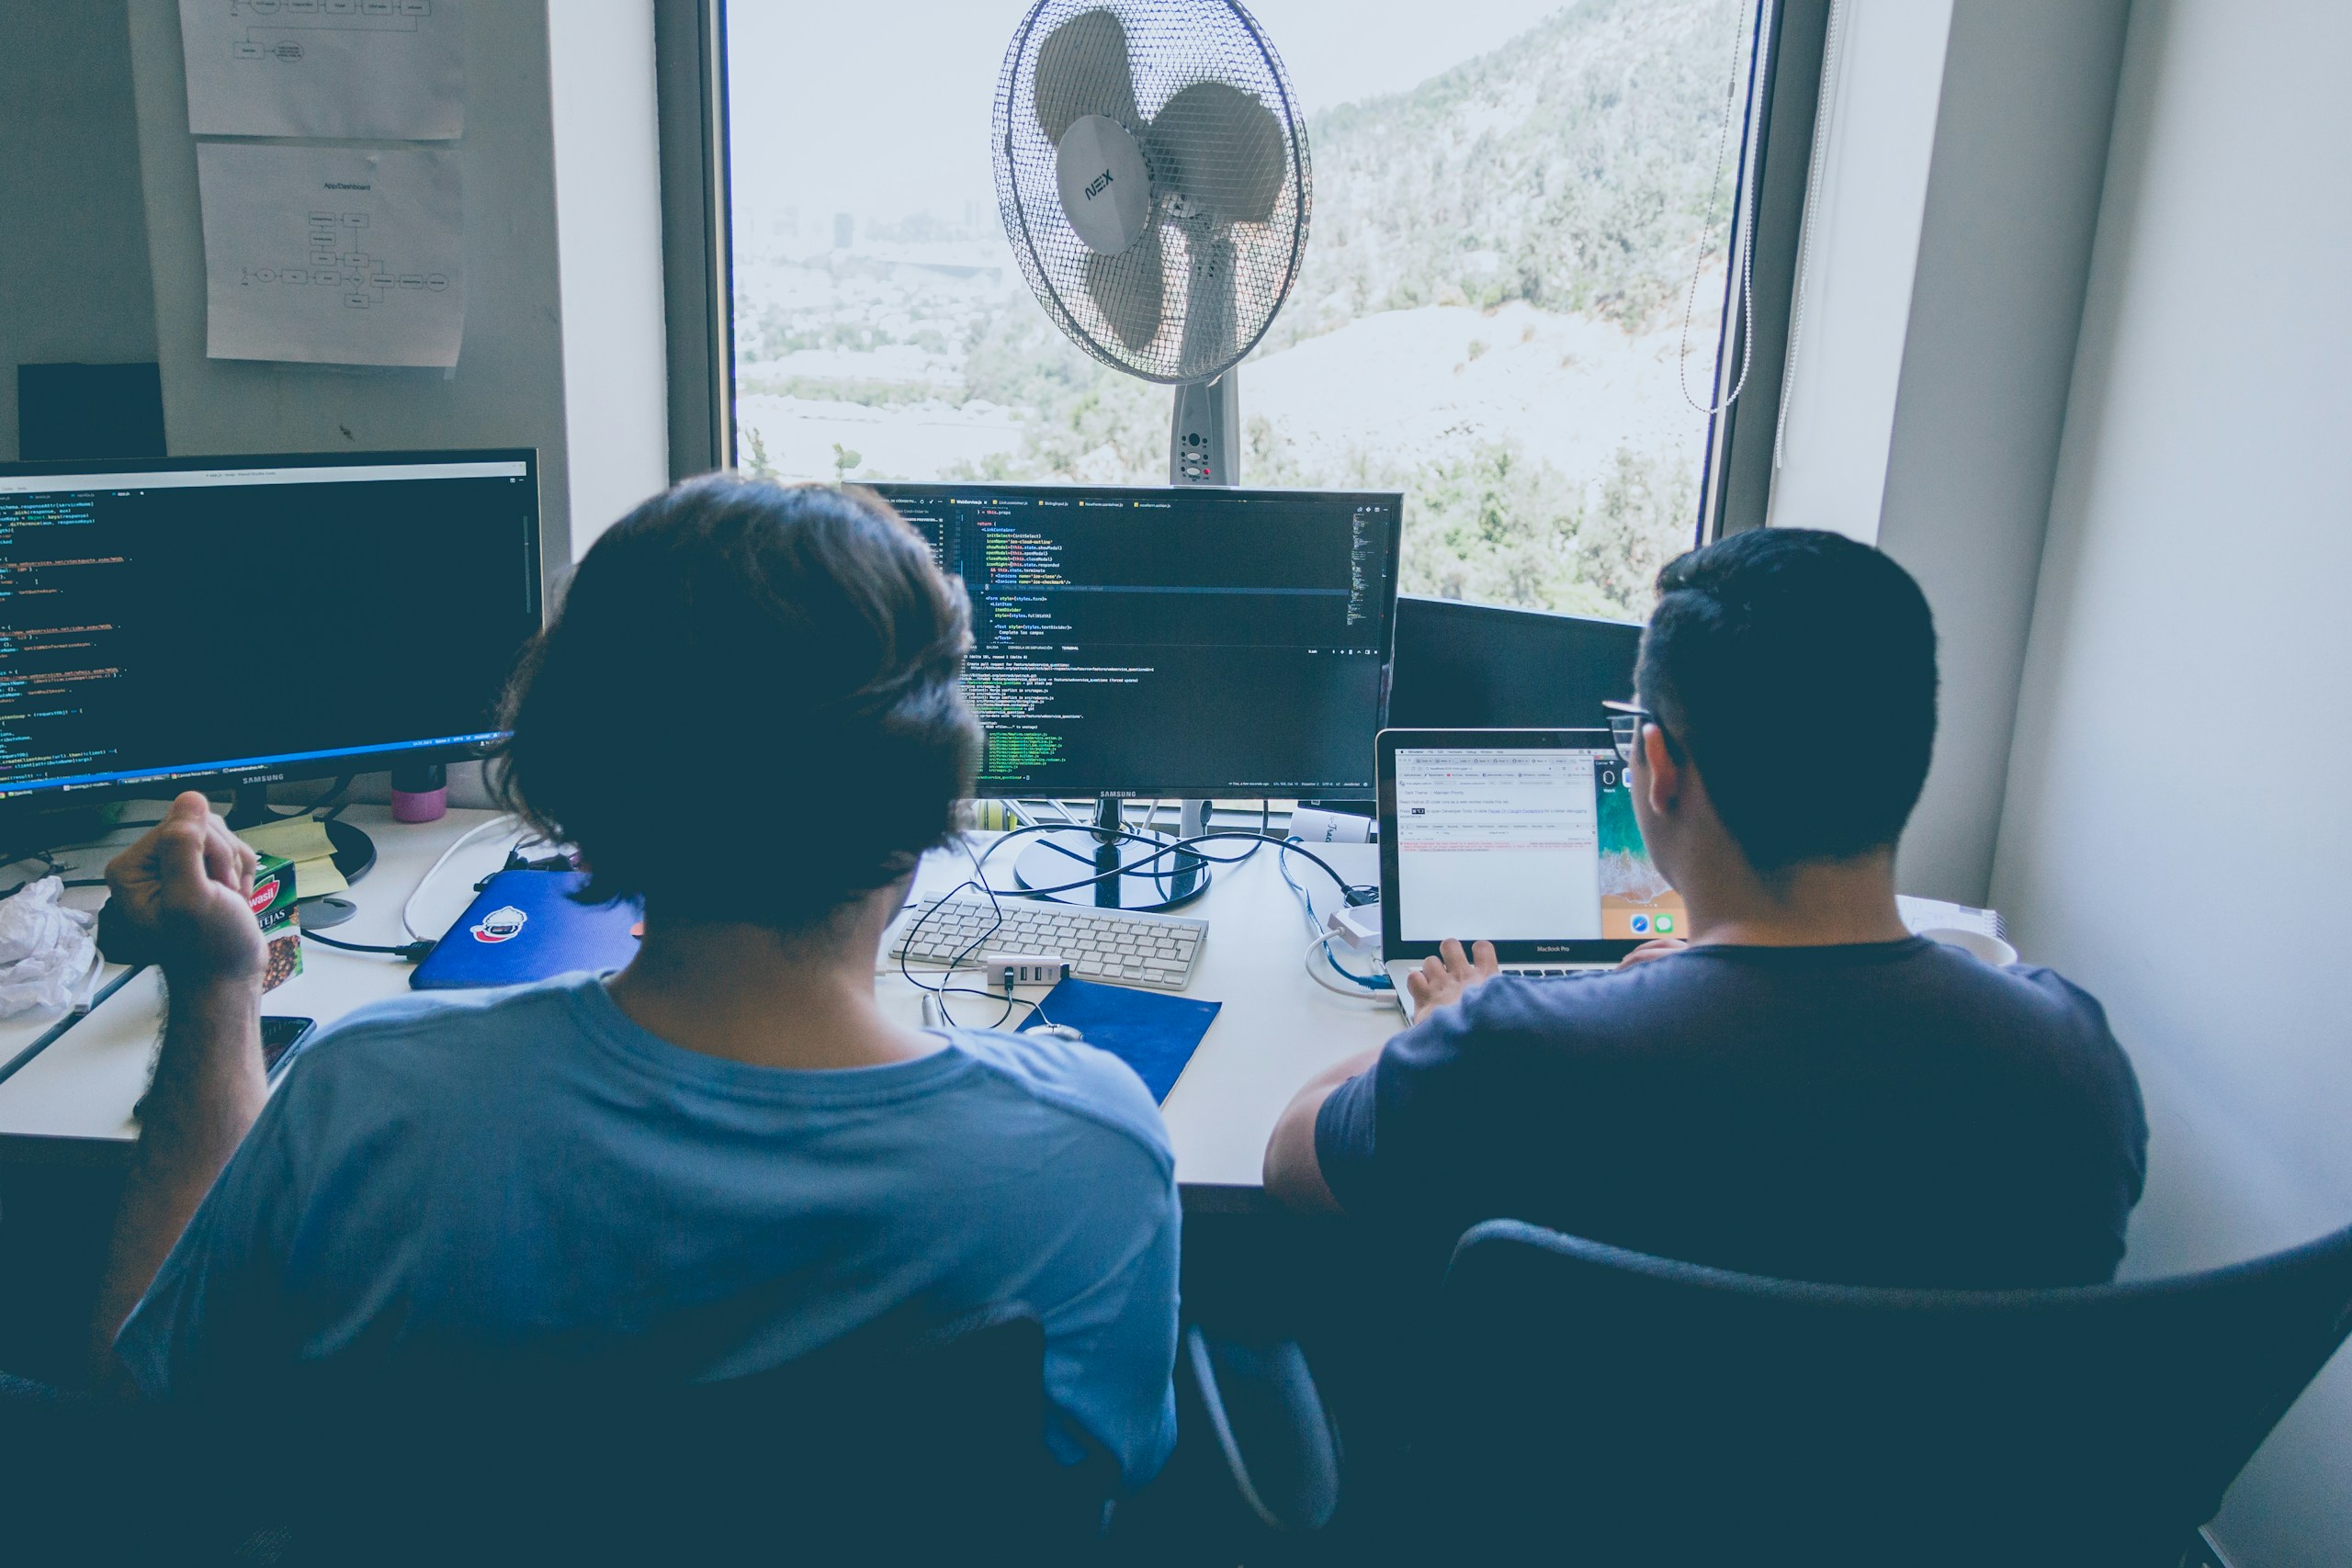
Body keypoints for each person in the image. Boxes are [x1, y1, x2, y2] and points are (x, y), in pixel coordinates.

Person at [89, 476, 1181, 1487]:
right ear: (932, 793)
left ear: (575, 783)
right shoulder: (1089, 1150)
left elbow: (155, 1404)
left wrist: (218, 984)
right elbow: (1106, 1486)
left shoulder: (365, 1101)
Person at [1263, 527, 2146, 1290]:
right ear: (1912, 754)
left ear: (1661, 768)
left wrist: (1440, 1024)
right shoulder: (2075, 1065)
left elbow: (1290, 1154)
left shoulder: (1504, 1053)